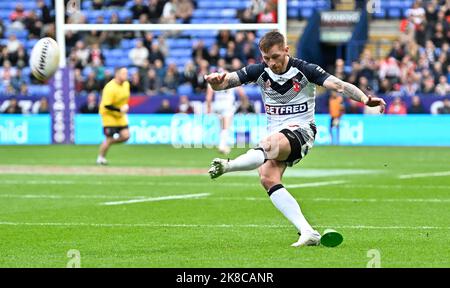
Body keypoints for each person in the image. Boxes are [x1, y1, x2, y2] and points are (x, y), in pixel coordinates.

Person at [205, 31, 386, 247]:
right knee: (267, 177)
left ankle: (228, 166)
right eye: (266, 58)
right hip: (277, 132)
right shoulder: (258, 71)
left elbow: (339, 85)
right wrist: (214, 82)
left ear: (286, 50)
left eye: (275, 57)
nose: (271, 63)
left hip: (302, 131)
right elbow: (224, 84)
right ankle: (308, 231)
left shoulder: (305, 70)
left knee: (269, 145)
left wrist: (365, 99)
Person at [206, 69, 248, 155]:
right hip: (227, 105)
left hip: (217, 105)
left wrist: (209, 108)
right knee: (226, 126)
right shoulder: (231, 78)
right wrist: (245, 102)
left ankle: (223, 145)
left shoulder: (214, 79)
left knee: (221, 126)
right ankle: (222, 146)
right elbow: (241, 93)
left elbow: (209, 97)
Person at [97, 68, 130, 165]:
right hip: (108, 115)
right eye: (124, 73)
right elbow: (107, 105)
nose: (126, 75)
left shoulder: (126, 84)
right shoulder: (110, 87)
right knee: (108, 137)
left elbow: (124, 98)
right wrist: (120, 109)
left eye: (126, 73)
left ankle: (109, 142)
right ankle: (100, 157)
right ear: (117, 74)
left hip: (120, 115)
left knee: (126, 136)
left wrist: (124, 106)